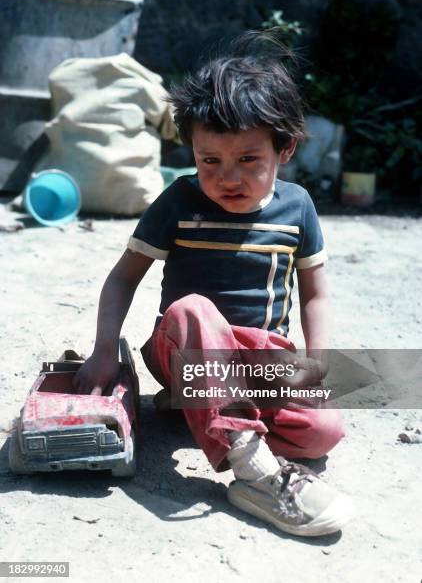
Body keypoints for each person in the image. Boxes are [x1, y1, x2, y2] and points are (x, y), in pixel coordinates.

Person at [74, 32, 354, 537]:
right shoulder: (179, 201)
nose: (228, 177)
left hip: (259, 359)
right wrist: (102, 350)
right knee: (195, 309)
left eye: (248, 160)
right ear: (193, 152)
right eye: (210, 161)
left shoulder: (297, 208)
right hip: (183, 346)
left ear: (284, 147)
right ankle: (254, 471)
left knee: (322, 432)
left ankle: (202, 408)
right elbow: (123, 277)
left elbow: (316, 291)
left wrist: (319, 360)